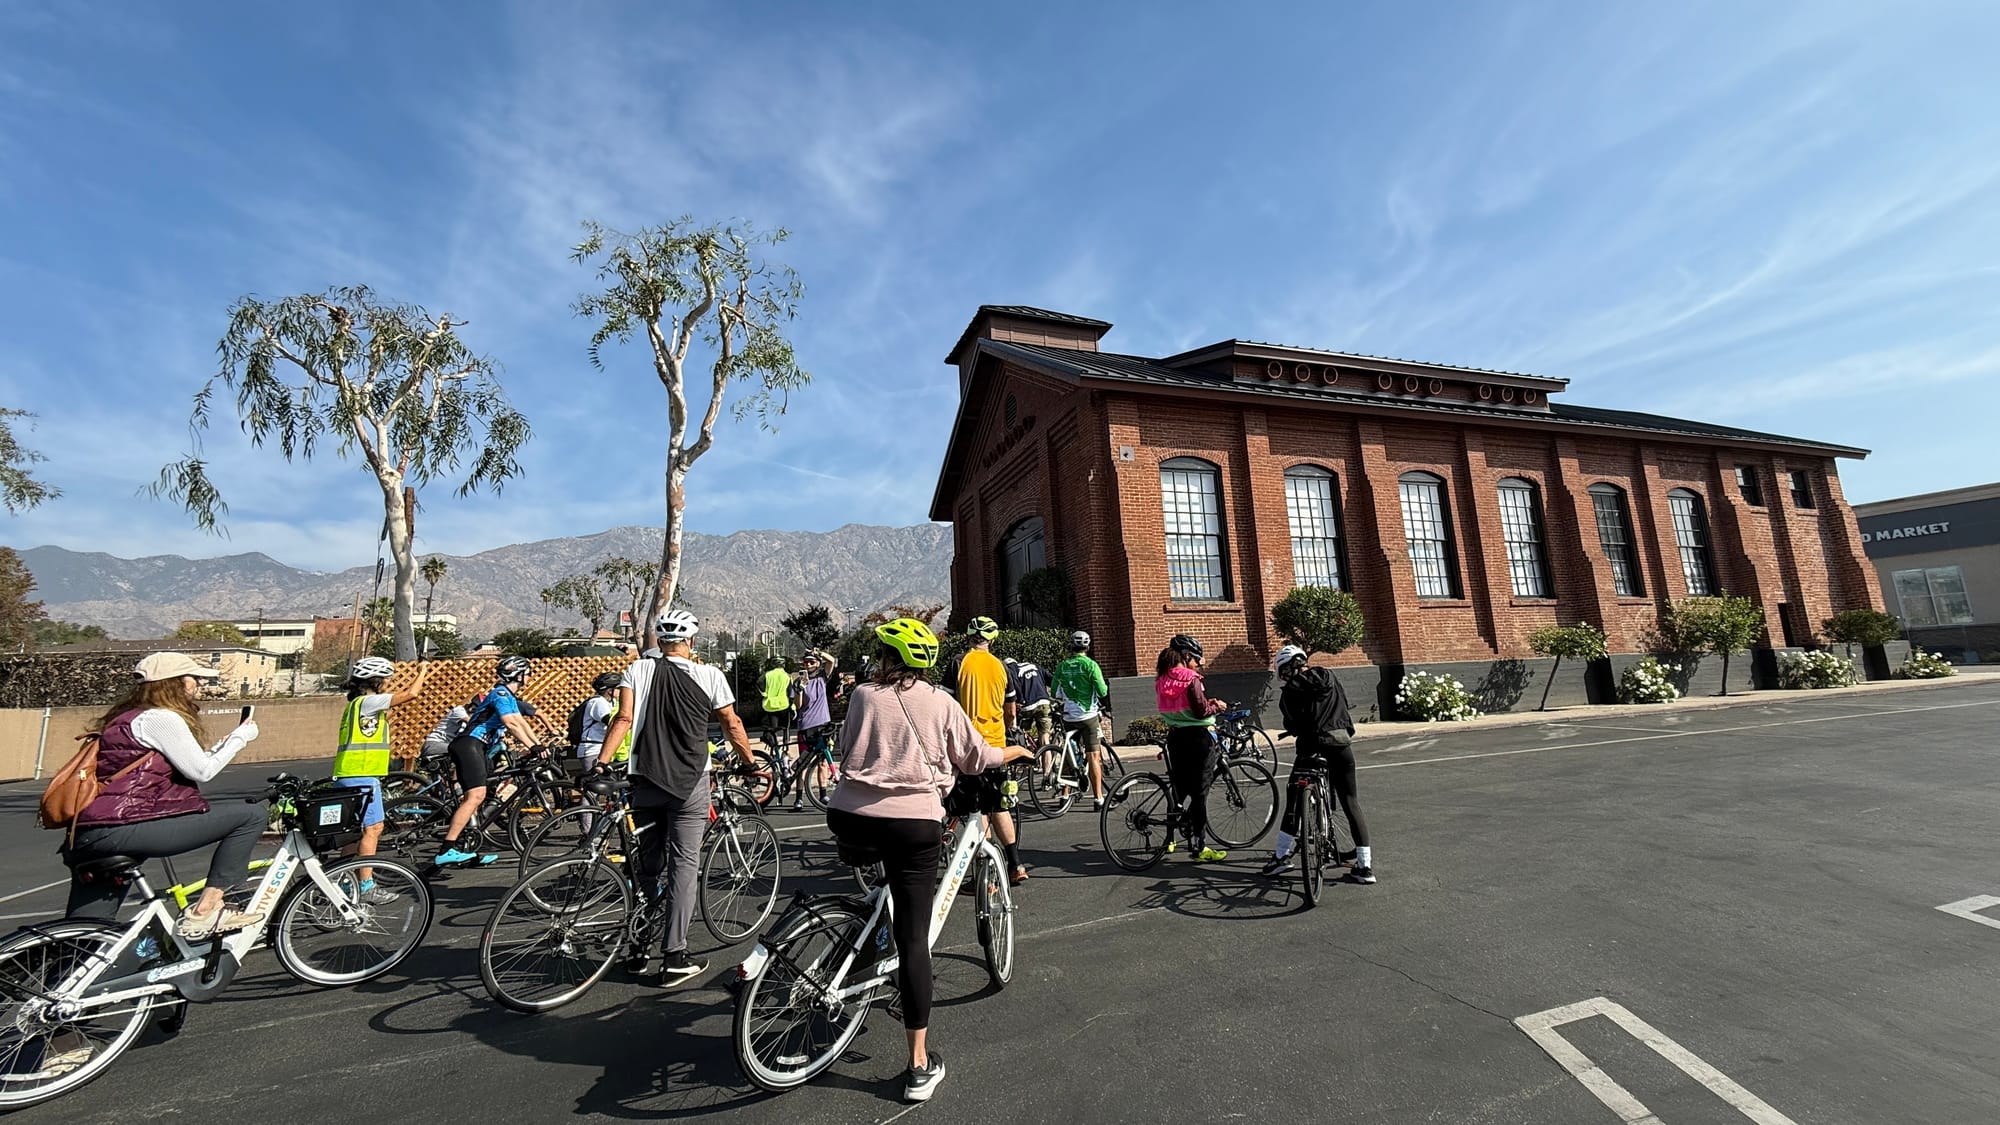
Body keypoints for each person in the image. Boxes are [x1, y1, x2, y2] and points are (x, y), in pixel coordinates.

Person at [828, 617, 1032, 1103]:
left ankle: (863, 940)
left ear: (885, 659)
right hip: (912, 822)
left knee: (887, 886)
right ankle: (918, 1065)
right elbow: (976, 758)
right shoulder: (941, 702)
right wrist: (1015, 751)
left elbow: (845, 748)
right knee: (914, 938)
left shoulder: (861, 695)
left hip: (848, 816)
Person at [597, 609, 758, 987]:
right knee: (683, 866)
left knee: (647, 865)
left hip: (644, 778)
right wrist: (749, 762)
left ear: (659, 639)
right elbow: (732, 723)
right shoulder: (710, 675)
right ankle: (674, 956)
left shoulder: (637, 670)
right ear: (692, 641)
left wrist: (601, 763)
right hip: (689, 783)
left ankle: (637, 948)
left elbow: (623, 719)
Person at [60, 653, 267, 938]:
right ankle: (208, 909)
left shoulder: (124, 719)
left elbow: (181, 763)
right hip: (127, 826)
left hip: (90, 833)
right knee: (250, 816)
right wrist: (240, 738)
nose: (198, 684)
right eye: (194, 678)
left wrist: (222, 747)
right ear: (174, 682)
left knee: (84, 934)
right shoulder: (161, 718)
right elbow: (202, 771)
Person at [1263, 645, 1374, 883]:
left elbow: (1291, 724)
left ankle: (1281, 856)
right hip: (1340, 743)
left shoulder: (1289, 692)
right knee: (1350, 800)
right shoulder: (1329, 677)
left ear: (1287, 669)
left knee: (1294, 800)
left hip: (1311, 747)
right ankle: (1365, 866)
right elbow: (1343, 706)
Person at [332, 655, 430, 900]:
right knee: (374, 828)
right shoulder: (368, 702)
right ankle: (367, 886)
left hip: (350, 773)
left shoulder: (356, 705)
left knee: (356, 832)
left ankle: (342, 880)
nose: (388, 684)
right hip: (362, 774)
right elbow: (411, 694)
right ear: (376, 681)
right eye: (386, 680)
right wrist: (422, 671)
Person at [436, 655, 541, 868]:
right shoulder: (500, 693)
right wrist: (532, 747)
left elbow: (521, 723)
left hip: (478, 747)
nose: (530, 677)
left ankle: (468, 850)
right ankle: (446, 849)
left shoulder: (509, 697)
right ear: (519, 675)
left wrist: (539, 745)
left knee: (477, 797)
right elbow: (510, 723)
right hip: (469, 744)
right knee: (476, 796)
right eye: (528, 673)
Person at [956, 615, 1028, 884]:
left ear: (969, 637)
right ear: (992, 639)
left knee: (977, 810)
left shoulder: (959, 662)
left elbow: (947, 706)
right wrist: (1007, 731)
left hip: (969, 747)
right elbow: (1011, 710)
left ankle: (986, 879)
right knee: (998, 804)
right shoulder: (1001, 667)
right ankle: (1016, 865)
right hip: (997, 746)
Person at [1156, 633, 1228, 862]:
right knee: (1199, 794)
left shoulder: (1162, 678)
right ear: (1187, 656)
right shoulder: (1191, 678)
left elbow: (1182, 706)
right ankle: (1200, 846)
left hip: (1176, 737)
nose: (1198, 664)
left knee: (1178, 790)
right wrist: (1216, 706)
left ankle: (1170, 840)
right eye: (1196, 659)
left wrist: (1206, 703)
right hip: (1199, 739)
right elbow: (1200, 711)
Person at [1052, 630, 1114, 810]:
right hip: (1088, 716)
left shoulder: (1062, 666)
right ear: (1087, 647)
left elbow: (1055, 692)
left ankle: (1064, 796)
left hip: (1068, 717)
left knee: (1068, 756)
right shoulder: (1091, 665)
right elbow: (1102, 691)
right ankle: (1098, 799)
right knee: (1093, 756)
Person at [788, 650, 838, 811]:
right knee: (803, 763)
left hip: (822, 724)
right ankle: (798, 797)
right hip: (806, 726)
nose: (808, 665)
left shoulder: (822, 677)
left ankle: (823, 793)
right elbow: (798, 705)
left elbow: (831, 661)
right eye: (806, 662)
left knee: (823, 761)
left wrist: (819, 653)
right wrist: (799, 690)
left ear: (818, 663)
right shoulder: (798, 681)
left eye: (812, 662)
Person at [575, 671, 624, 773]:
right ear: (610, 690)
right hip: (593, 750)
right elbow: (611, 722)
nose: (621, 691)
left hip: (602, 748)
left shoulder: (611, 702)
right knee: (597, 781)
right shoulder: (598, 702)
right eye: (619, 688)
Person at [1006, 654, 1054, 752]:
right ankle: (1046, 760)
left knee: (1019, 731)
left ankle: (1025, 749)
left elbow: (1014, 687)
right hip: (1044, 702)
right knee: (1045, 740)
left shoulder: (1012, 670)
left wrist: (1020, 700)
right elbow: (1052, 681)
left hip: (1027, 705)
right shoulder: (1035, 666)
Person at [760, 658, 793, 751]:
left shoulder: (767, 675)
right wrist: (792, 706)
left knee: (772, 729)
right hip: (784, 705)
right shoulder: (787, 676)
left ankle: (774, 749)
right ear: (783, 665)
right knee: (785, 728)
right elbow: (790, 692)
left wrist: (764, 693)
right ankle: (786, 748)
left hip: (770, 706)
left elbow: (759, 683)